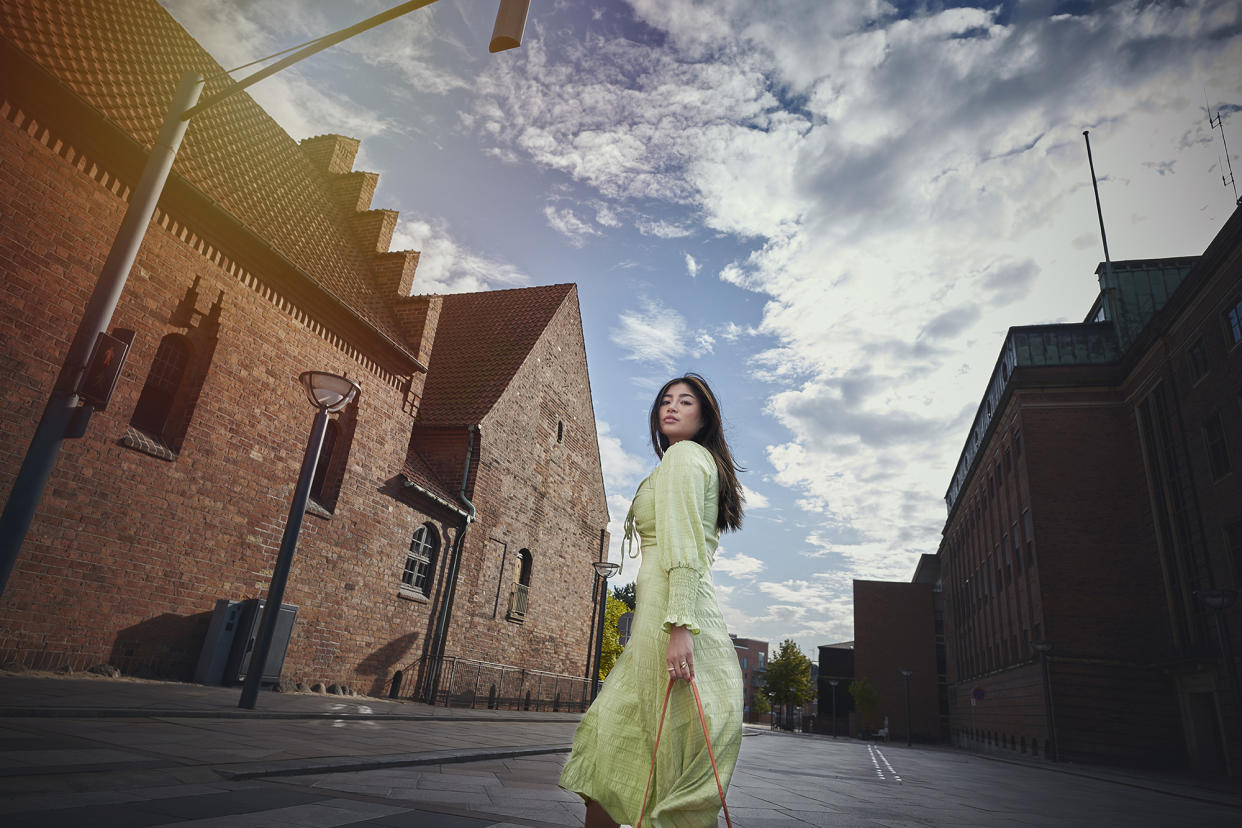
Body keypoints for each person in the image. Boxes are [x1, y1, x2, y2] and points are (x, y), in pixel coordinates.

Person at [560, 373, 745, 827]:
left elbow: (684, 546)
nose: (672, 407)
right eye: (666, 400)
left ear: (704, 417)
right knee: (615, 737)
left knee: (649, 741)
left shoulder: (685, 457)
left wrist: (679, 625)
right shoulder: (680, 463)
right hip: (656, 617)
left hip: (673, 615)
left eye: (685, 401)